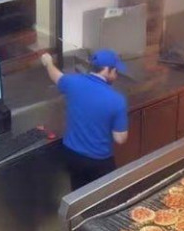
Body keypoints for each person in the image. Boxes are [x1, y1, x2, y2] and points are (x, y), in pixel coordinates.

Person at [41, 48, 129, 190]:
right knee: (104, 200)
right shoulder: (117, 100)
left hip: (72, 156)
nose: (117, 75)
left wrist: (48, 62)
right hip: (99, 160)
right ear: (107, 70)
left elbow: (55, 76)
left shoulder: (72, 83)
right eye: (116, 71)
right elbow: (120, 139)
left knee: (79, 197)